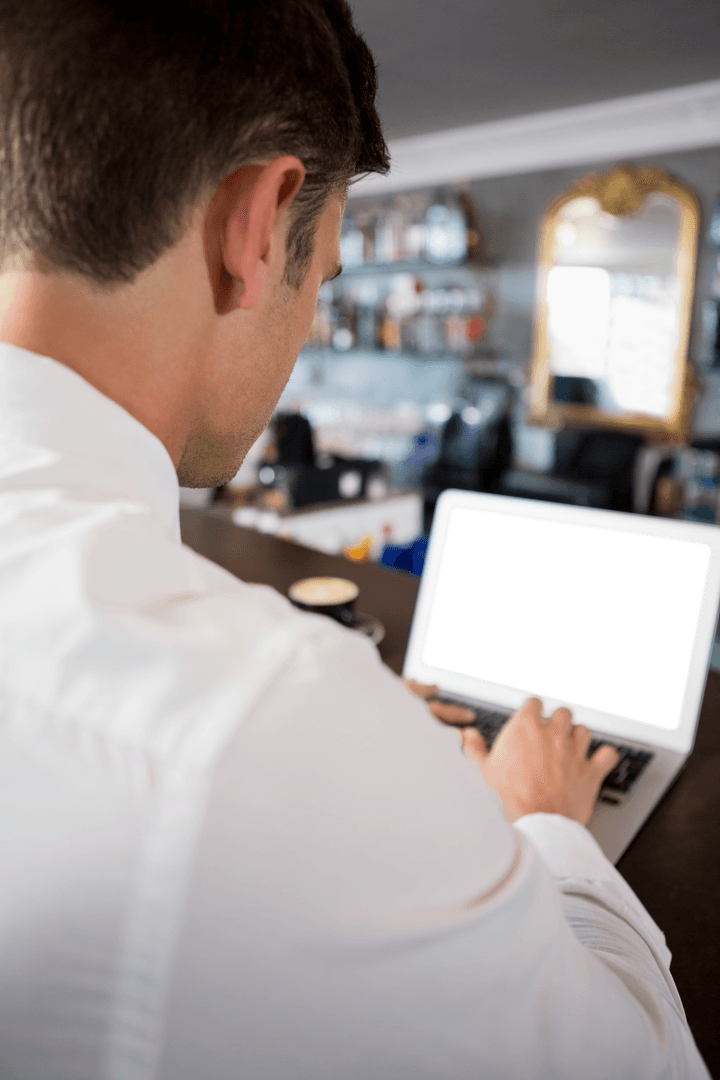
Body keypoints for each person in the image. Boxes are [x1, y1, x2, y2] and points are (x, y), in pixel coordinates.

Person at [0, 3, 710, 1078]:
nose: (306, 331)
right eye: (323, 281)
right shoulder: (266, 717)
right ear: (258, 222)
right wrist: (547, 824)